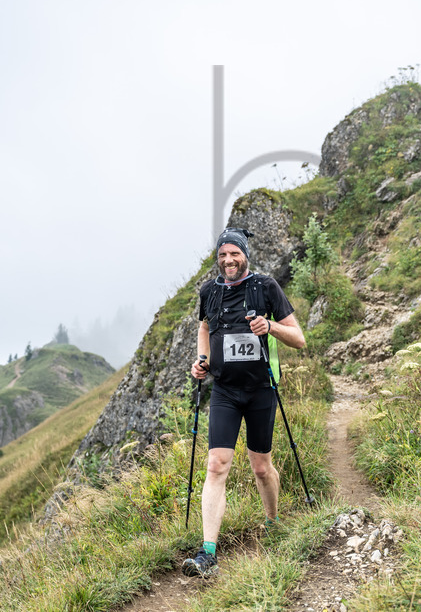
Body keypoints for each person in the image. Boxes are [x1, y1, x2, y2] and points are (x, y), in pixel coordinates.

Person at [181, 227, 306, 578]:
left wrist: (270, 327)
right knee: (217, 465)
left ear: (245, 255)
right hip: (224, 391)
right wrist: (202, 360)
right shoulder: (209, 291)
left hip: (261, 389)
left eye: (234, 254)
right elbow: (205, 327)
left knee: (261, 467)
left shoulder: (266, 287)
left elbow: (298, 338)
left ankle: (273, 522)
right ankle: (208, 553)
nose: (228, 260)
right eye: (222, 255)